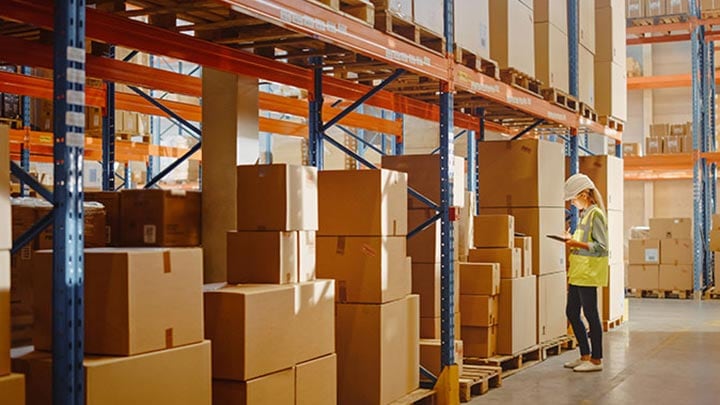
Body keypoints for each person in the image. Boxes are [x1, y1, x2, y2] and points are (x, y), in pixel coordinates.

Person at [562, 173, 609, 372]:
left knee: (591, 315)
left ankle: (596, 359)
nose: (573, 203)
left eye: (573, 199)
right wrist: (570, 238)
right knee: (571, 312)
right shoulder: (584, 214)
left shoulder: (596, 214)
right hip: (578, 273)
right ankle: (585, 355)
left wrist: (575, 242)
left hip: (589, 274)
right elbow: (583, 244)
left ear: (584, 194)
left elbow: (602, 246)